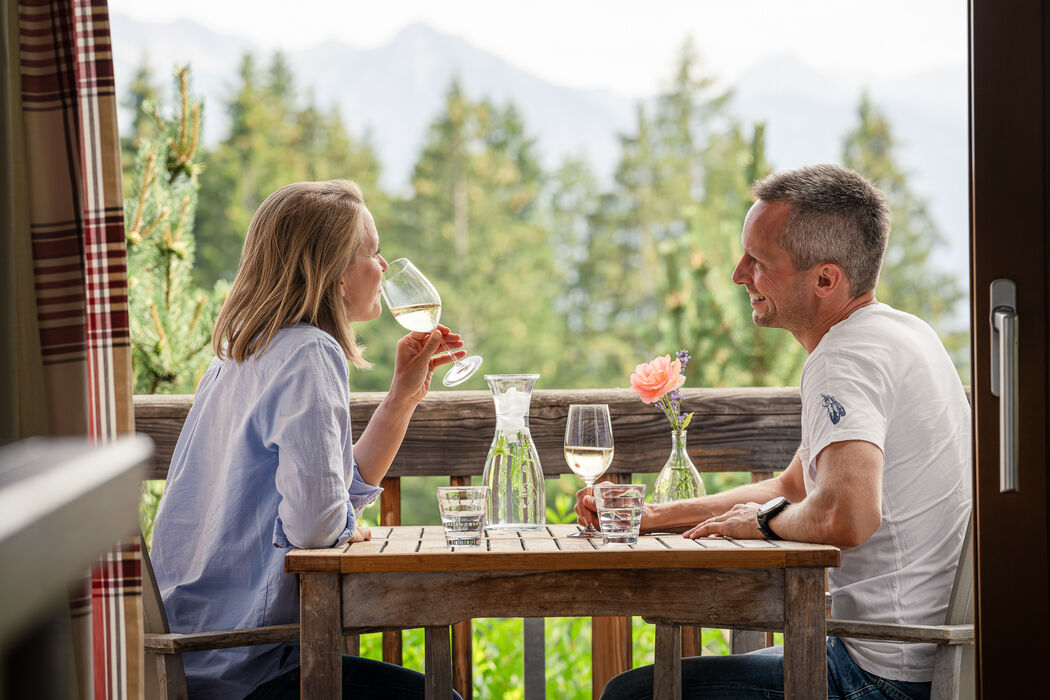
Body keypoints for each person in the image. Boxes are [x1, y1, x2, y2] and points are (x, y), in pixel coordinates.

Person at [577, 165, 971, 700]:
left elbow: (846, 514)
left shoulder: (844, 358)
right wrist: (657, 516)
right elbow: (794, 488)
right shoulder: (904, 333)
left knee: (632, 695)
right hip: (934, 660)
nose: (739, 274)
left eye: (758, 261)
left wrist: (761, 525)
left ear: (825, 279)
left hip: (883, 675)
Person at [151, 180, 466, 700]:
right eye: (372, 252)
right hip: (249, 668)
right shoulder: (310, 354)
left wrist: (402, 397)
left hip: (194, 660)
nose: (383, 268)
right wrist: (341, 523)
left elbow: (334, 491)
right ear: (336, 272)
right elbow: (316, 526)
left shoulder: (242, 352)